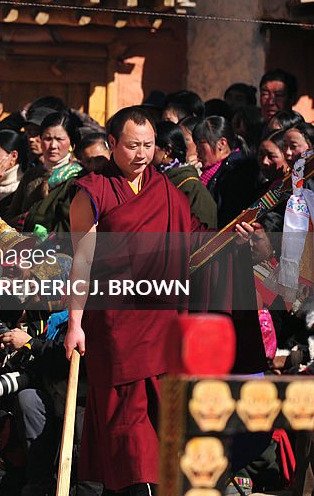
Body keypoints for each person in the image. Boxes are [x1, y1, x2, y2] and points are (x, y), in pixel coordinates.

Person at [64, 106, 195, 494]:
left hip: (161, 320)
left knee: (156, 424)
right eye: (132, 145)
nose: (141, 154)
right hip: (115, 327)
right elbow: (82, 261)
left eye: (149, 146)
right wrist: (75, 323)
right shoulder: (93, 191)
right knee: (124, 422)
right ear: (111, 145)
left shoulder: (168, 193)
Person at [194, 116, 259, 227]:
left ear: (222, 143)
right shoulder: (211, 172)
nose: (197, 151)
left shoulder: (237, 171)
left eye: (201, 144)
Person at [152, 121, 218, 229]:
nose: (143, 151)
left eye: (149, 145)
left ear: (167, 151)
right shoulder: (153, 177)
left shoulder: (191, 186)